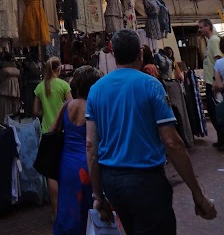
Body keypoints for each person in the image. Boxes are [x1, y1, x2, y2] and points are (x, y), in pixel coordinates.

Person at [86, 29, 216, 235]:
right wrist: (197, 193)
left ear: (113, 55)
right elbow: (172, 142)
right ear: (139, 53)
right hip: (145, 182)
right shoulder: (151, 85)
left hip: (112, 182)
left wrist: (97, 195)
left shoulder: (96, 89)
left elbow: (91, 146)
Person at [53, 65, 102, 235]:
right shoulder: (93, 106)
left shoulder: (67, 106)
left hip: (66, 162)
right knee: (88, 206)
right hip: (87, 162)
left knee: (68, 204)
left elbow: (52, 131)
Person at [33, 56, 72, 216]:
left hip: (47, 133)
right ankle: (66, 207)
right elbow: (71, 105)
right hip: (63, 131)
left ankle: (55, 210)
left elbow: (35, 111)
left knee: (51, 172)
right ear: (59, 68)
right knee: (64, 168)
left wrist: (46, 114)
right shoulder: (64, 85)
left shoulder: (40, 87)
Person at [198, 18, 223, 147]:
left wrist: (215, 80)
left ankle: (222, 139)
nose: (199, 30)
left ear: (208, 26)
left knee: (215, 112)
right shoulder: (210, 41)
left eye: (201, 27)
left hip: (212, 82)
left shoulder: (214, 40)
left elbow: (218, 59)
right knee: (214, 112)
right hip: (209, 81)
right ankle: (221, 139)